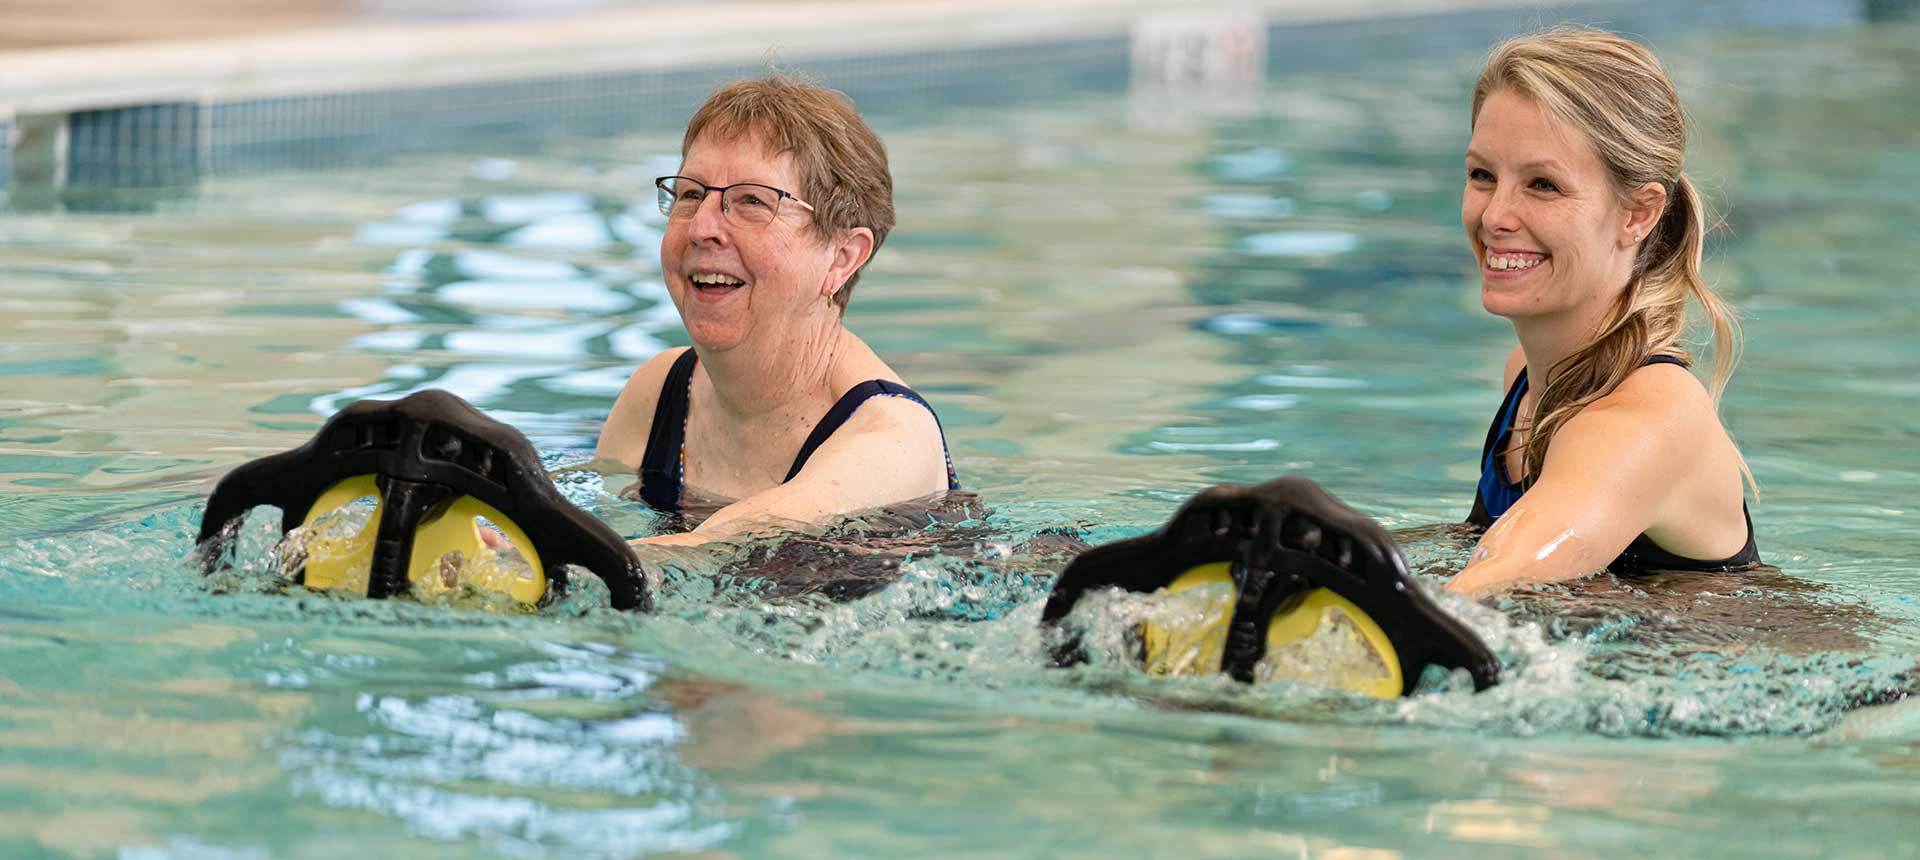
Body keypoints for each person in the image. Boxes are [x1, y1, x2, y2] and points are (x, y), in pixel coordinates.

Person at [1445, 28, 1759, 595]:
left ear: (1639, 214)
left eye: (1543, 185)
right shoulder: (1528, 375)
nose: (1495, 216)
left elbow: (1482, 588)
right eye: (1482, 175)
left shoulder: (1646, 422)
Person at [594, 75, 958, 547]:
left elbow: (722, 549)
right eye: (689, 194)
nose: (703, 226)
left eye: (750, 201)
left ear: (841, 257)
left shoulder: (893, 436)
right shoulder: (658, 392)